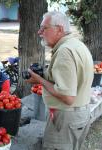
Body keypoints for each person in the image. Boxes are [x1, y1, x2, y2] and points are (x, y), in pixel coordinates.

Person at [26, 11, 94, 150]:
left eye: (44, 28)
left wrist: (39, 79)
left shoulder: (64, 51)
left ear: (60, 29)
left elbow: (67, 97)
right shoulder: (76, 44)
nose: (39, 32)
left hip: (66, 118)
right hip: (78, 114)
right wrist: (46, 75)